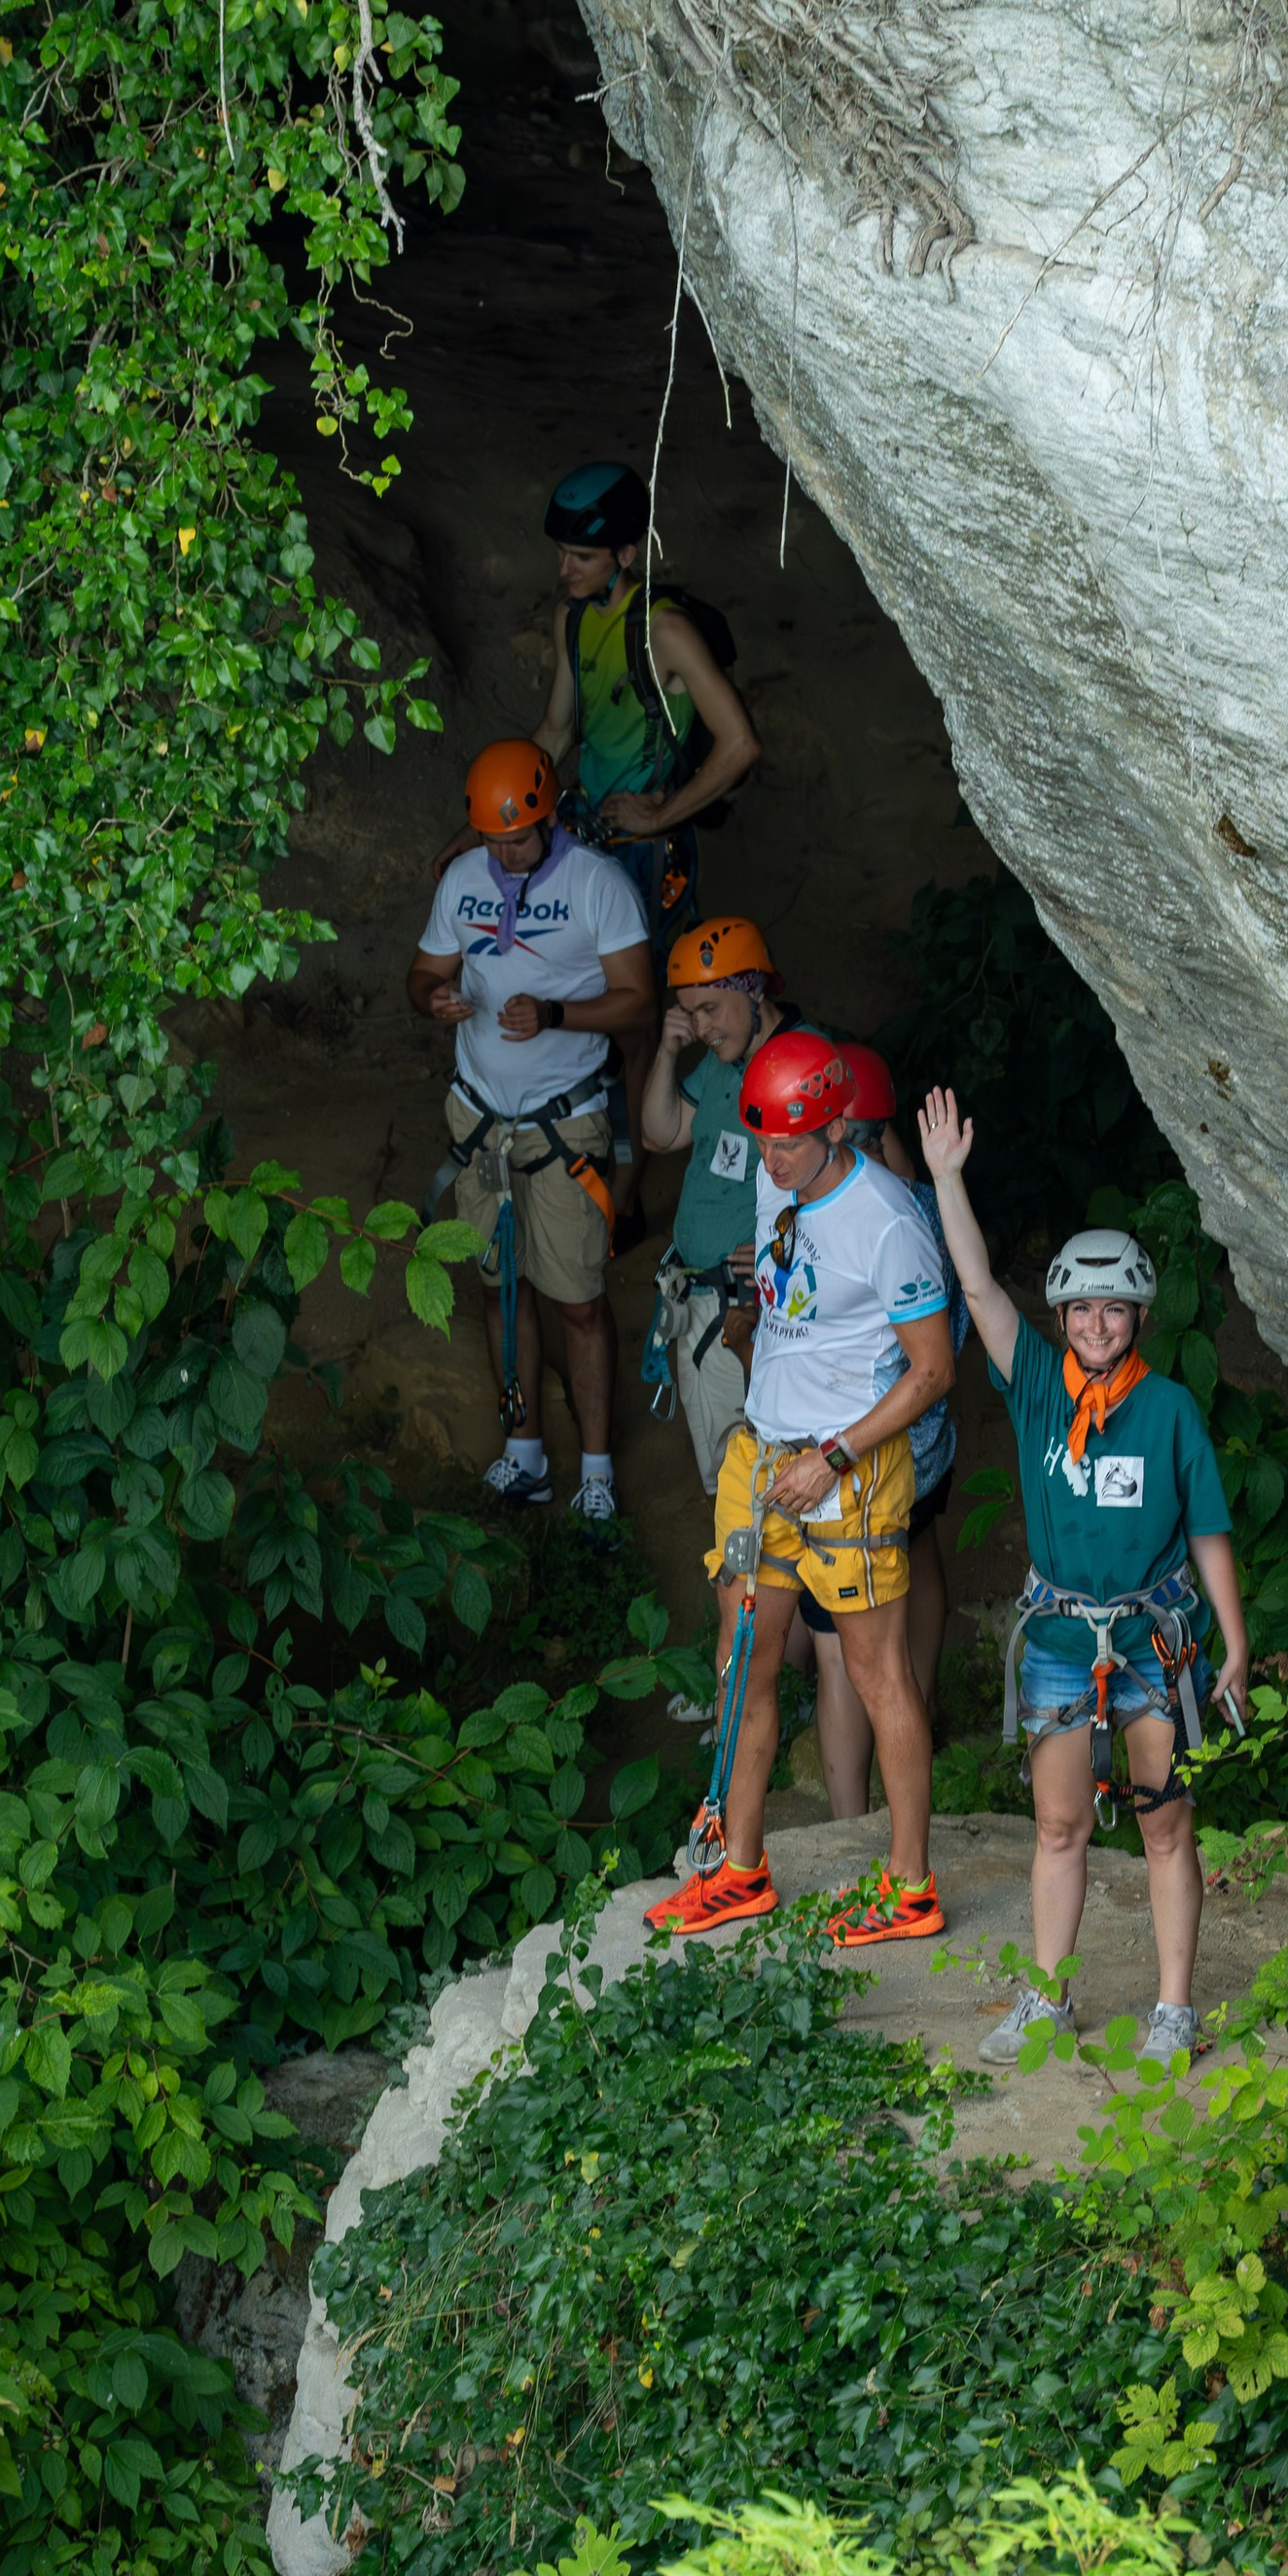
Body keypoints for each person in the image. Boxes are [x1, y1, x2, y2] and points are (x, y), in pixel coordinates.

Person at [915, 1087, 1248, 2069]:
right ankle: (1049, 1998)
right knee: (1059, 1825)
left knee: (1163, 1827)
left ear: (1137, 1315)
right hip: (1062, 1634)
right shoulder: (1033, 1391)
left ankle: (1173, 2009)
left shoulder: (1170, 1410)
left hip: (1153, 1638)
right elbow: (977, 1290)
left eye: (1113, 1307)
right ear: (1059, 1314)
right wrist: (944, 1176)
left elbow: (1210, 1530)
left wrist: (1236, 1640)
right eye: (1081, 1307)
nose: (1097, 1323)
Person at [646, 1033, 954, 1948]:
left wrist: (837, 1452)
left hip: (848, 1476)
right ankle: (740, 1870)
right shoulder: (778, 1176)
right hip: (760, 1461)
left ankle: (910, 1887)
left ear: (837, 1124)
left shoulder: (890, 1220)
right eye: (764, 1141)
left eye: (789, 1142)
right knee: (743, 1657)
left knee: (874, 1672)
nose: (771, 1161)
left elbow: (932, 1372)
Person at [409, 740, 653, 1524]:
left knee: (577, 1299)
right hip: (480, 1114)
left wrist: (557, 1014)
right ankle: (524, 1457)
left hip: (563, 1121)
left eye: (516, 837)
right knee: (497, 1287)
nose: (504, 853)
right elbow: (422, 972)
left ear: (548, 817)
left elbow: (640, 1001)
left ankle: (595, 1470)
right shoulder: (464, 879)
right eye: (491, 839)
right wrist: (434, 999)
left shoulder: (596, 886)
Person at [532, 460, 759, 1194]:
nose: (563, 569)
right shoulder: (571, 619)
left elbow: (739, 743)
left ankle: (622, 1196)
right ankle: (581, 1162)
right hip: (587, 841)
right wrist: (495, 811)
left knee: (633, 1029)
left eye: (582, 557)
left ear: (626, 555)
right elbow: (559, 729)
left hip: (646, 856)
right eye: (562, 553)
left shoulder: (663, 630)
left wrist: (661, 812)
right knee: (579, 1003)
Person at [807, 1045, 962, 1812]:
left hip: (870, 1452)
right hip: (925, 1450)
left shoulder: (875, 1210)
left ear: (838, 1129)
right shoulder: (917, 1201)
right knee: (920, 1555)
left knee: (848, 1644)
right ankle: (921, 1717)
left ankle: (852, 1811)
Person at [636, 916, 783, 1502]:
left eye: (710, 1009)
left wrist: (783, 1247)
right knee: (729, 1483)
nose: (700, 1027)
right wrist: (668, 1053)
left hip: (745, 1309)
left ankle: (758, 1594)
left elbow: (848, 1171)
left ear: (754, 989)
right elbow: (659, 1133)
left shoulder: (797, 1060)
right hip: (701, 1299)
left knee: (748, 1486)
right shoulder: (723, 1060)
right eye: (689, 1012)